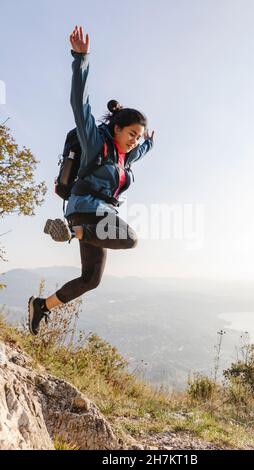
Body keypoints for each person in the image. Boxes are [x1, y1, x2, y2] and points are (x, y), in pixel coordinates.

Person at [28, 26, 154, 335]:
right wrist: (81, 59)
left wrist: (150, 140)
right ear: (116, 129)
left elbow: (144, 148)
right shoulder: (95, 142)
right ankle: (74, 233)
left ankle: (41, 305)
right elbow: (78, 103)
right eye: (131, 134)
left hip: (100, 218)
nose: (134, 141)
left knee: (91, 279)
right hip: (85, 210)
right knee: (131, 239)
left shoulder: (127, 156)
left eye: (138, 137)